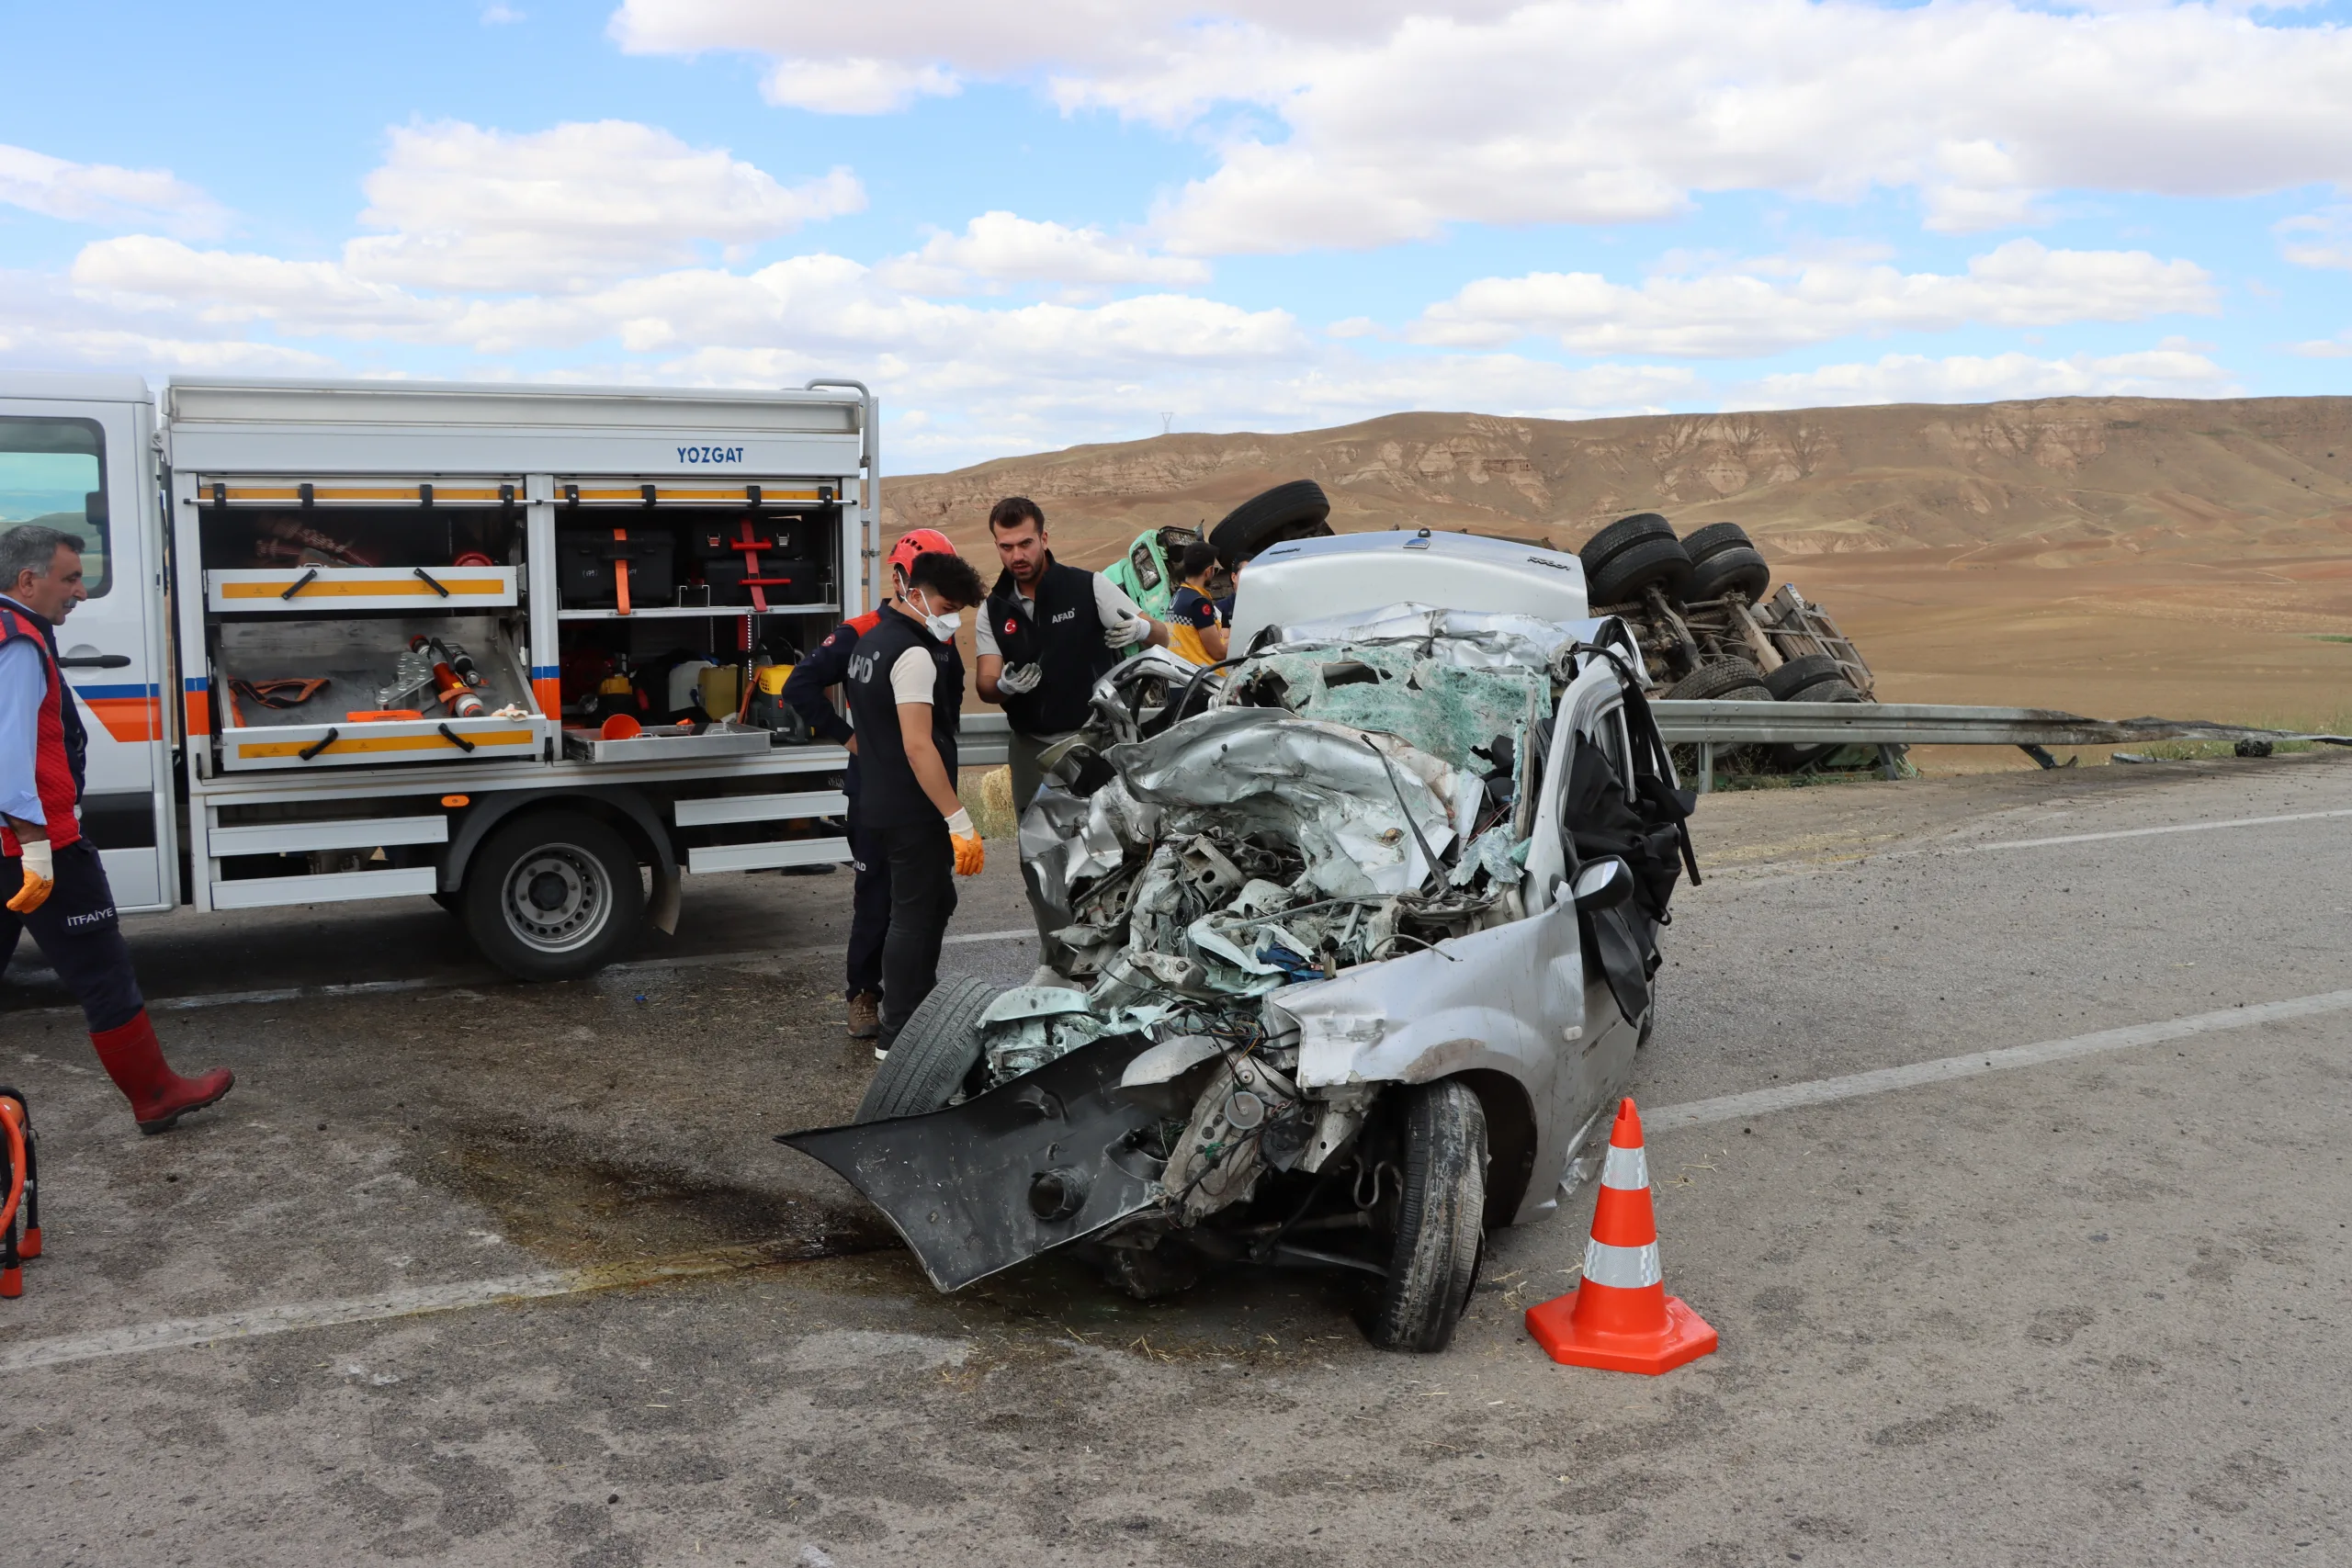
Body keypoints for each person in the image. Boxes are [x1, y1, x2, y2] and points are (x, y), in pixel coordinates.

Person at [0, 525, 232, 1134]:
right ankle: (155, 1093)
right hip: (41, 846)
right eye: (70, 578)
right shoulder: (18, 642)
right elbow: (10, 758)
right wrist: (35, 846)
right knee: (102, 970)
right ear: (28, 581)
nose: (79, 592)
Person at [973, 496, 1168, 984]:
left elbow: (1160, 638)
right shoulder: (993, 609)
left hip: (1092, 740)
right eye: (1005, 546)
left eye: (1025, 543)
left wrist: (1142, 627)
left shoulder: (1089, 587)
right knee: (1037, 856)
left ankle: (1118, 958)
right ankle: (1060, 961)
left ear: (1044, 537)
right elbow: (984, 681)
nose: (1017, 555)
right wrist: (1001, 688)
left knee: (1108, 848)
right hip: (1030, 747)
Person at [781, 528, 956, 1043]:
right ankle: (865, 993)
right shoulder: (864, 632)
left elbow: (944, 716)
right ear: (903, 581)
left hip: (926, 794)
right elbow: (800, 686)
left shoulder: (938, 639)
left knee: (930, 899)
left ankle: (914, 993)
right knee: (877, 897)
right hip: (877, 791)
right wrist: (849, 738)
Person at [841, 547, 989, 1061]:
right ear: (916, 592)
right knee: (912, 913)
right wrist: (959, 817)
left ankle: (913, 1012)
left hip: (876, 799)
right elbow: (918, 744)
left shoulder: (872, 642)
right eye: (947, 605)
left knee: (931, 902)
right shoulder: (914, 655)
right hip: (911, 808)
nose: (951, 619)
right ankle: (901, 1033)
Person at [1167, 540, 1227, 665]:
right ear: (1208, 571)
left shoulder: (1179, 596)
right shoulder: (1199, 603)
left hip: (1183, 674)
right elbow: (1218, 653)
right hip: (1203, 678)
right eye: (1214, 569)